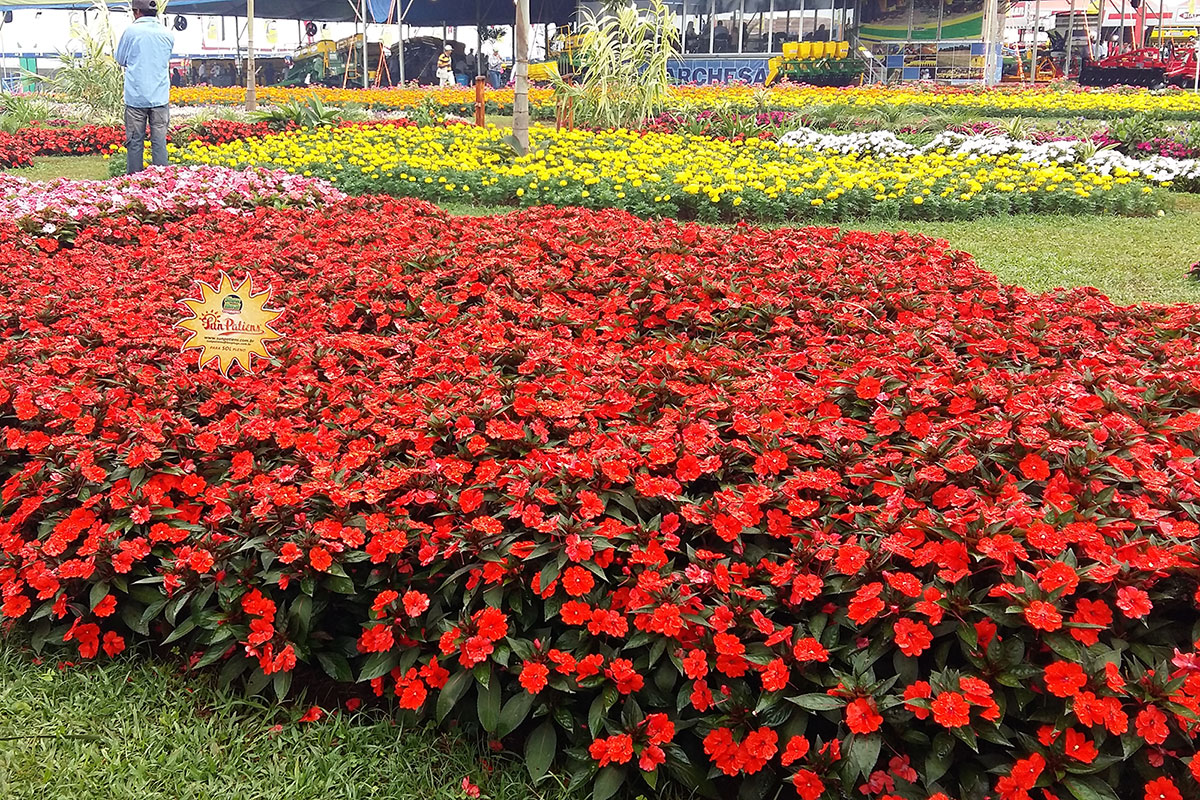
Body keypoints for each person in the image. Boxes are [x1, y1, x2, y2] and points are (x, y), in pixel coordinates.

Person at [115, 0, 174, 175]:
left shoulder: (131, 31)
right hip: (160, 96)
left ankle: (134, 181)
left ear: (137, 11)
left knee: (134, 141)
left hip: (136, 96)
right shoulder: (167, 34)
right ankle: (162, 181)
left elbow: (120, 59)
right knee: (159, 141)